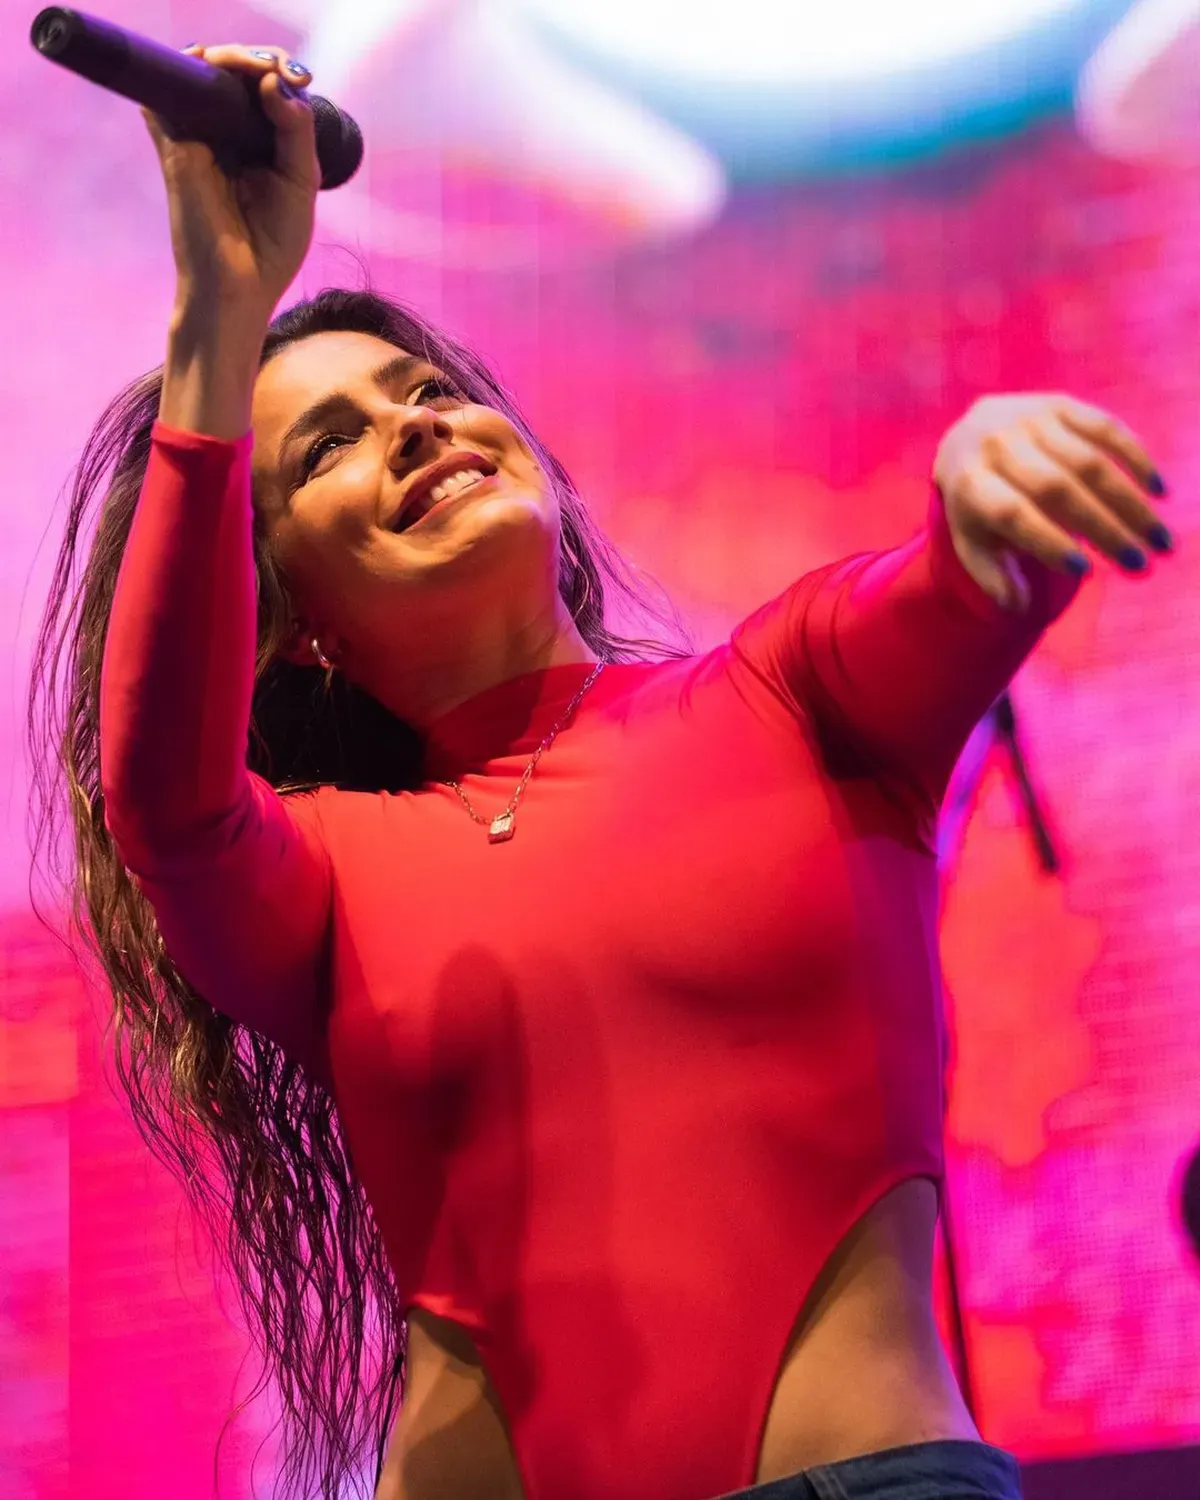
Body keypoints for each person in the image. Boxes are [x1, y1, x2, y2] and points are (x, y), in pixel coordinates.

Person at [28, 41, 1175, 1500]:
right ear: (288, 623)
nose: (415, 424)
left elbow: (969, 572)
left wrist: (993, 458)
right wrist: (219, 313)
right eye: (328, 449)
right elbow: (164, 804)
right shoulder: (318, 876)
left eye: (425, 389)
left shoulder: (793, 694)